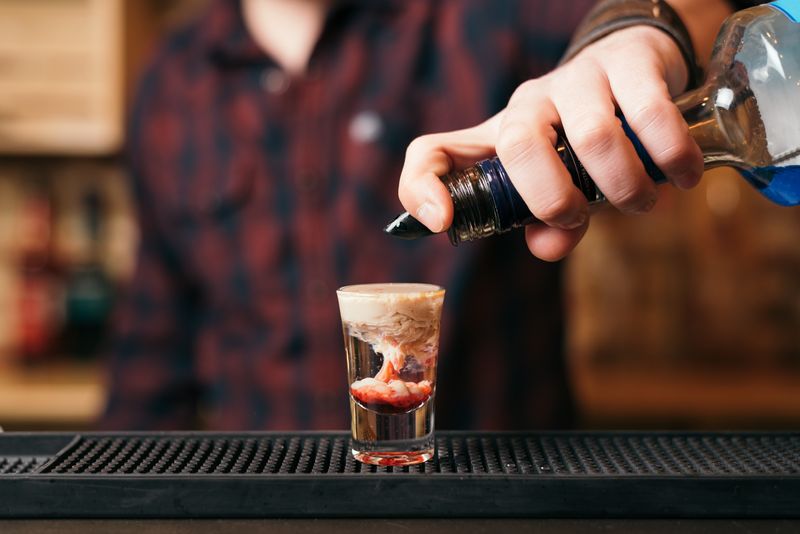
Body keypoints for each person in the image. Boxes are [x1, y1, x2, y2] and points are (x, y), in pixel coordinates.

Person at [100, 0, 742, 431]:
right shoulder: (172, 81)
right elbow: (151, 356)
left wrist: (636, 32)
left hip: (500, 513)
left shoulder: (483, 17)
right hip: (272, 515)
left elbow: (696, 13)